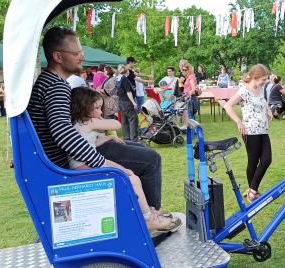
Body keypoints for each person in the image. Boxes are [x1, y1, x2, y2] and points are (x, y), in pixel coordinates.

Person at [27, 26, 167, 216]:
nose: (82, 57)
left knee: (141, 149)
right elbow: (62, 133)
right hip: (65, 164)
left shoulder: (48, 81)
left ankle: (141, 213)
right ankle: (150, 218)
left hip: (65, 157)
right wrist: (101, 162)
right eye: (76, 53)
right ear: (58, 57)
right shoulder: (55, 86)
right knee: (151, 160)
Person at [69, 87, 181, 234]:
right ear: (84, 108)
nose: (100, 112)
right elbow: (116, 124)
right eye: (96, 108)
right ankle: (149, 218)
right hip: (86, 167)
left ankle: (148, 212)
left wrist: (108, 137)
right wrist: (102, 120)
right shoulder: (90, 122)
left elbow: (91, 143)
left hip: (81, 166)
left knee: (137, 164)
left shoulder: (78, 124)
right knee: (132, 178)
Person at [223, 64, 272, 203]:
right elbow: (228, 106)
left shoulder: (261, 89)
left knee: (267, 159)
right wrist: (238, 121)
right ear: (255, 77)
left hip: (263, 130)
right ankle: (253, 192)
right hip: (250, 131)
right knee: (253, 161)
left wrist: (268, 110)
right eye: (263, 79)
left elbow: (262, 102)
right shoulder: (244, 91)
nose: (265, 82)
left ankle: (252, 190)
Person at [117, 66, 139, 141]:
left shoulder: (118, 78)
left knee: (124, 121)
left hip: (121, 101)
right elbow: (128, 92)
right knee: (133, 119)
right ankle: (134, 140)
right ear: (127, 72)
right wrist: (133, 102)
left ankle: (126, 139)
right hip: (127, 101)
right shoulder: (125, 79)